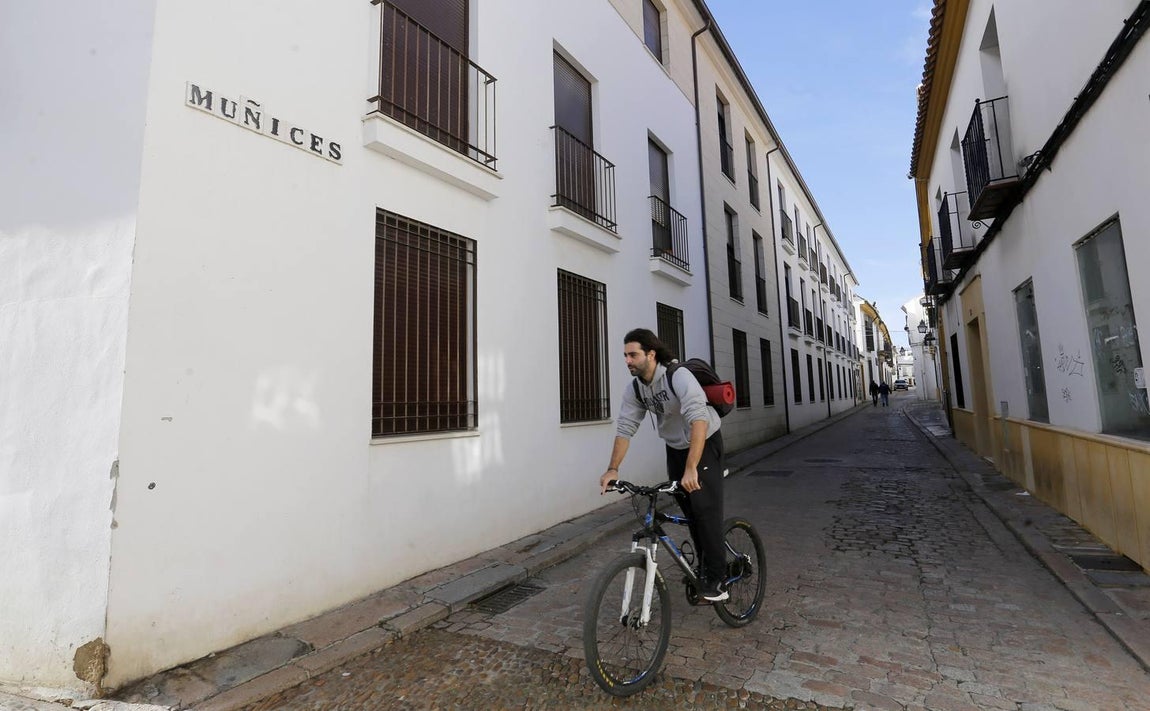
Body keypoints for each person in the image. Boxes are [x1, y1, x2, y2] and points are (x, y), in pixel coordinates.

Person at [599, 328, 728, 602]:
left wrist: (692, 467)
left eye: (633, 355)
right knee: (690, 511)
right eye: (625, 356)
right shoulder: (636, 389)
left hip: (704, 443)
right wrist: (613, 468)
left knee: (705, 510)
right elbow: (625, 428)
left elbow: (699, 419)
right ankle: (704, 568)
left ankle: (718, 579)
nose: (627, 361)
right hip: (676, 449)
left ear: (651, 354)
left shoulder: (677, 376)